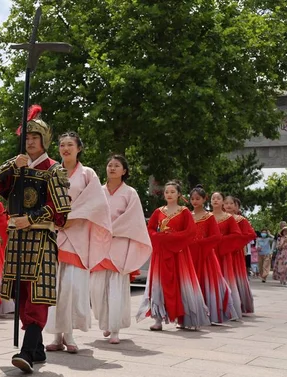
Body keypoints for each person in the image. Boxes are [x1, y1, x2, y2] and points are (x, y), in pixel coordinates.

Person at [0, 105, 71, 373]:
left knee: (38, 295)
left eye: (35, 138)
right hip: (16, 237)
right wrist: (11, 166)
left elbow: (61, 209)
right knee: (22, 293)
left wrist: (34, 218)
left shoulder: (54, 170)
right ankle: (37, 350)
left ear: (44, 141)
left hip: (40, 239)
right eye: (26, 138)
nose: (29, 142)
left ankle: (27, 351)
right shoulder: (17, 165)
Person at [45, 132, 112, 351]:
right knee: (54, 287)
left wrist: (70, 219)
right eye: (62, 145)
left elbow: (96, 204)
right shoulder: (52, 170)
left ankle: (70, 334)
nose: (65, 148)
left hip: (78, 234)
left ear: (79, 148)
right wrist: (55, 219)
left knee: (72, 287)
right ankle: (56, 336)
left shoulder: (87, 174)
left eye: (70, 145)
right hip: (54, 233)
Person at [90, 155, 151, 344]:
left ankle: (115, 328)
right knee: (96, 288)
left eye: (117, 166)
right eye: (110, 165)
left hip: (119, 243)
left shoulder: (130, 193)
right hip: (100, 243)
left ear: (124, 171)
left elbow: (133, 219)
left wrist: (112, 229)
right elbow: (91, 214)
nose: (112, 168)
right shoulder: (97, 191)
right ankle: (106, 321)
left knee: (116, 286)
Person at [136, 181, 210, 330]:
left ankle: (186, 318)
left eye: (172, 192)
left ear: (178, 194)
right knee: (158, 284)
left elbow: (190, 231)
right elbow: (149, 230)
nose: (169, 194)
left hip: (179, 253)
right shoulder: (158, 212)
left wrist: (173, 238)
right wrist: (158, 237)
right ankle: (157, 319)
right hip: (161, 253)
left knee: (182, 284)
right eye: (166, 192)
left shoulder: (184, 212)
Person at [188, 186, 236, 324]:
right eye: (192, 199)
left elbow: (216, 237)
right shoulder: (188, 215)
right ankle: (193, 313)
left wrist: (200, 242)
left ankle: (211, 313)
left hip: (206, 254)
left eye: (198, 199)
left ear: (204, 199)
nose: (195, 201)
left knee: (207, 282)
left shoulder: (209, 217)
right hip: (190, 254)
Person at [210, 192, 243, 320]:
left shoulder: (229, 218)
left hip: (223, 253)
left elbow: (236, 234)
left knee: (226, 279)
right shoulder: (206, 216)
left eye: (218, 198)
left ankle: (229, 309)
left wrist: (222, 241)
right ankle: (213, 308)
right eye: (213, 198)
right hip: (209, 252)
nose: (216, 200)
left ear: (222, 202)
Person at [224, 196, 256, 314]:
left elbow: (250, 234)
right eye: (226, 203)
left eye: (231, 203)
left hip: (236, 252)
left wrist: (237, 242)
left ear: (236, 206)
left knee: (236, 276)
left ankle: (240, 304)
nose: (228, 205)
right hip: (222, 252)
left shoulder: (240, 220)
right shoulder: (220, 218)